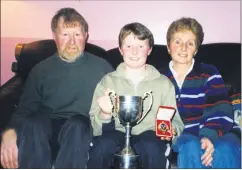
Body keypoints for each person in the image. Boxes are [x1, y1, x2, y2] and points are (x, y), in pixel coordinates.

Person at [0, 7, 113, 169]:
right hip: (46, 127)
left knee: (77, 124)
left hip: (80, 128)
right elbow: (25, 108)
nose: (72, 42)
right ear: (55, 36)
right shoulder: (40, 70)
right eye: (65, 35)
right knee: (32, 123)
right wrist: (9, 132)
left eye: (77, 34)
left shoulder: (103, 68)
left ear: (86, 36)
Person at [87, 22, 184, 169]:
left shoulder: (164, 84)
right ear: (120, 50)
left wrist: (172, 131)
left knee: (151, 146)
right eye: (128, 46)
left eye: (140, 46)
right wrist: (104, 113)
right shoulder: (107, 81)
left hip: (151, 135)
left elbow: (176, 122)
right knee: (102, 146)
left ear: (149, 50)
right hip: (115, 133)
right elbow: (94, 129)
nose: (134, 52)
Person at [159, 17, 241, 168]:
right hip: (183, 137)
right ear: (168, 47)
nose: (183, 48)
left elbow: (221, 109)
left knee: (225, 148)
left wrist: (209, 136)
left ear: (196, 50)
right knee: (190, 145)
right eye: (177, 41)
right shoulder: (158, 77)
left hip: (219, 131)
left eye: (190, 43)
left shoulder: (209, 72)